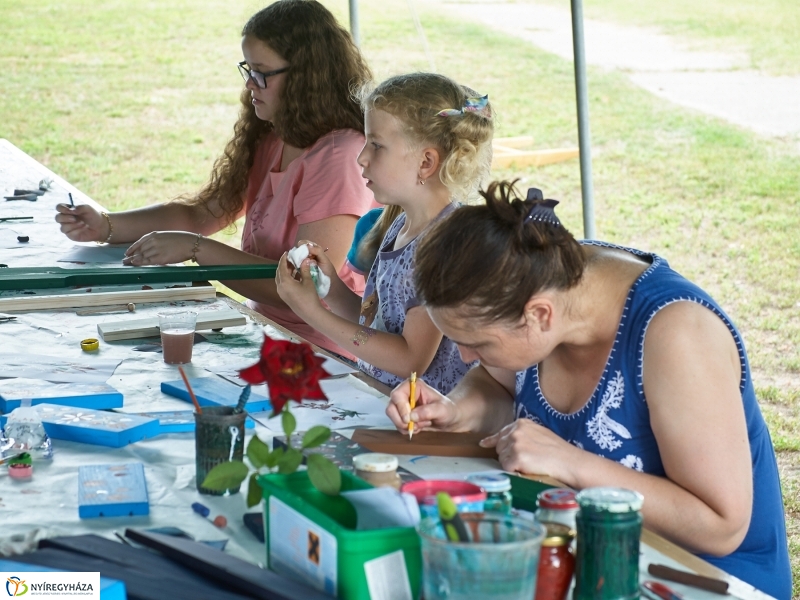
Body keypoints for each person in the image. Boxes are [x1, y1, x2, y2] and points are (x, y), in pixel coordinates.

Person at [386, 181, 792, 597]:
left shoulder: (678, 336)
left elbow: (721, 526)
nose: (466, 357)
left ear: (539, 315)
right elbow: (496, 383)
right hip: (591, 560)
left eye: (478, 343)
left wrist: (570, 463)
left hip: (700, 579)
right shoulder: (543, 281)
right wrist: (457, 408)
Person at [54, 0, 375, 355]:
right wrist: (105, 225)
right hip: (268, 332)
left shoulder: (339, 155)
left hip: (325, 351)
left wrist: (197, 249)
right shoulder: (275, 134)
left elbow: (303, 285)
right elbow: (201, 214)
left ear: (305, 77)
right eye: (247, 69)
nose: (250, 84)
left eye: (261, 73)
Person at [275, 73, 494, 394]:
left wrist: (311, 314)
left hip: (423, 415)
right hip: (384, 402)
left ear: (426, 162)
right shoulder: (401, 225)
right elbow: (374, 324)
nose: (361, 157)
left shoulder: (446, 245)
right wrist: (329, 287)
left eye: (376, 145)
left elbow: (410, 359)